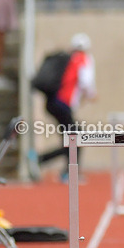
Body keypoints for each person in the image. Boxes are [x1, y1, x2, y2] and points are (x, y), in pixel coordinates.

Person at [29, 33, 96, 181]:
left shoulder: (66, 57)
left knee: (72, 137)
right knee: (76, 138)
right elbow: (86, 80)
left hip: (53, 103)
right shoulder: (83, 59)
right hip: (62, 104)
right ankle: (63, 170)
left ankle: (42, 159)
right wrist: (91, 94)